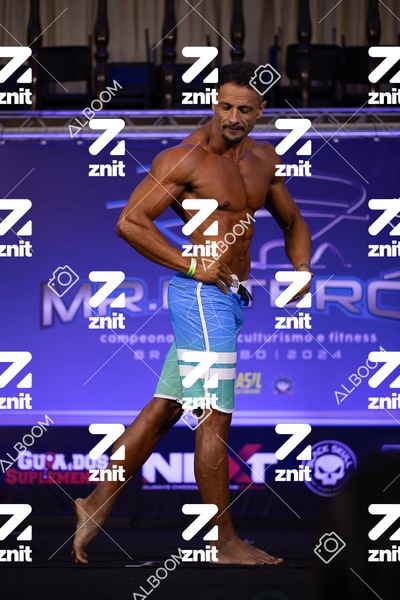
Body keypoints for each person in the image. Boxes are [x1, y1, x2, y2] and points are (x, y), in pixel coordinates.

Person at [72, 61, 312, 565]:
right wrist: (190, 264)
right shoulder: (184, 159)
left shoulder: (264, 160)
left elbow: (293, 221)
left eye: (245, 109)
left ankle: (96, 501)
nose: (233, 117)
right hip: (202, 298)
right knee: (214, 416)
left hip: (232, 298)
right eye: (225, 106)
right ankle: (223, 542)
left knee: (165, 408)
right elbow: (130, 222)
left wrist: (302, 269)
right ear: (213, 103)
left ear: (261, 111)